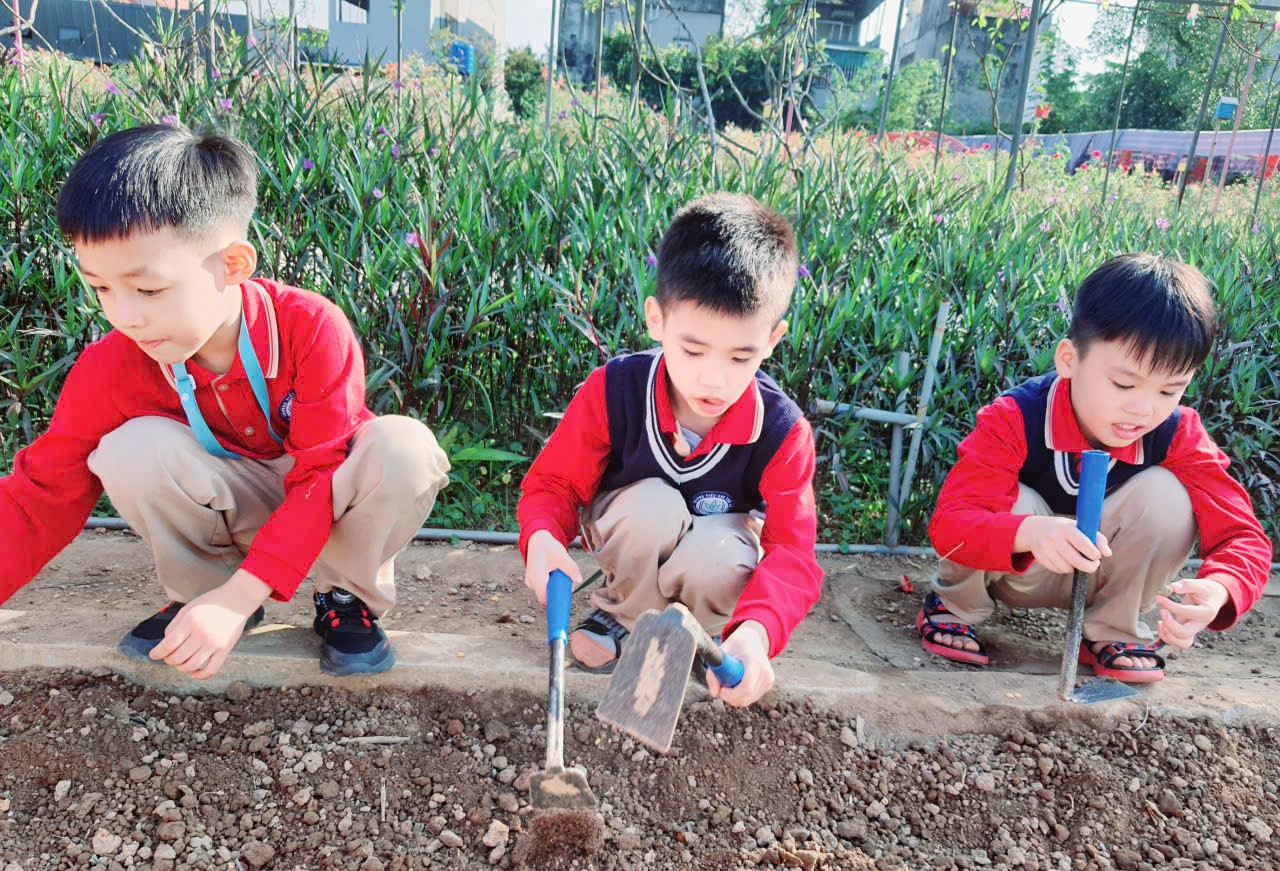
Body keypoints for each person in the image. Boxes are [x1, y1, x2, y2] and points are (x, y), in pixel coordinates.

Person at [0, 124, 451, 679]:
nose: (125, 316)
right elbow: (40, 494)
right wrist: (228, 598)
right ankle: (203, 596)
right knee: (129, 450)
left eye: (148, 289)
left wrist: (242, 596)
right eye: (102, 288)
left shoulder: (310, 327)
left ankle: (344, 598)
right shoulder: (113, 363)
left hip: (328, 503)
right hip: (237, 503)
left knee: (404, 446)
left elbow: (321, 474)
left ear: (233, 264)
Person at [518, 192, 823, 707]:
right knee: (652, 507)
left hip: (716, 553)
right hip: (633, 526)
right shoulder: (614, 389)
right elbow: (554, 484)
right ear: (656, 320)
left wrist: (757, 632)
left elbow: (793, 551)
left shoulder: (783, 430)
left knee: (720, 556)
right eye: (693, 349)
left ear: (772, 339)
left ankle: (696, 634)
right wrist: (543, 537)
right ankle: (623, 615)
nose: (714, 379)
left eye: (740, 357)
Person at [920, 253, 1272, 682]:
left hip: (1102, 574)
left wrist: (1220, 589)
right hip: (1017, 571)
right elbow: (951, 524)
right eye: (1123, 384)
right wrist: (1030, 532)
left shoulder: (1178, 433)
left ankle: (1112, 631)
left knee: (1168, 497)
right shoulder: (1015, 417)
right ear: (1069, 358)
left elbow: (1243, 536)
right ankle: (955, 606)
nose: (1143, 409)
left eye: (1169, 390)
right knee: (1012, 501)